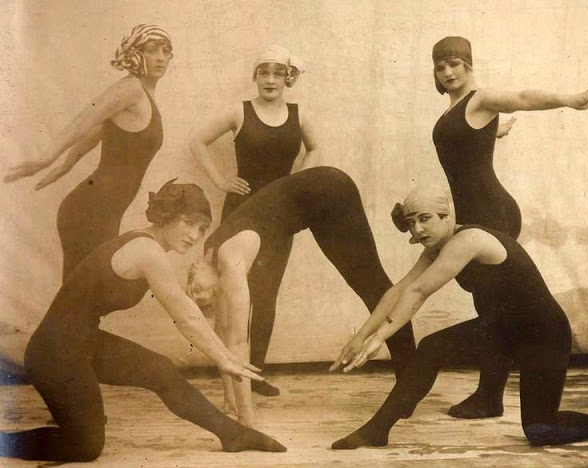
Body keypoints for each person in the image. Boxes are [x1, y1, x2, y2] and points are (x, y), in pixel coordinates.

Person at [0, 180, 287, 462]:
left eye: (202, 228)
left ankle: (233, 434)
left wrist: (224, 354)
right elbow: (186, 315)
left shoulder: (147, 245)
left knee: (160, 371)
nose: (194, 235)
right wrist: (224, 358)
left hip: (79, 341)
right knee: (85, 446)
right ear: (167, 214)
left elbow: (188, 311)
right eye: (189, 222)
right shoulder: (146, 251)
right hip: (53, 353)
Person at [330, 186, 588, 449]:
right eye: (411, 222)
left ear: (447, 216)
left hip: (544, 335)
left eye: (425, 219)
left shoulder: (470, 240)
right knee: (432, 347)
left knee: (541, 431)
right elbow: (398, 291)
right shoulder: (436, 249)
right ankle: (377, 429)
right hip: (503, 331)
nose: (417, 230)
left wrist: (379, 338)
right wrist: (360, 337)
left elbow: (419, 292)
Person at [430, 35, 588, 418]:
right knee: (487, 303)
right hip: (475, 213)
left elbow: (524, 97)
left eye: (454, 63)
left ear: (468, 64)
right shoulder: (458, 110)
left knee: (493, 304)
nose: (447, 72)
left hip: (492, 212)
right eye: (440, 66)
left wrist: (570, 99)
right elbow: (467, 143)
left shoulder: (480, 99)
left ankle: (489, 396)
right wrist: (495, 132)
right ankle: (489, 395)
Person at [186, 167, 416, 428]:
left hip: (330, 191)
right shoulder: (216, 258)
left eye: (193, 289)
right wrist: (229, 399)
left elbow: (237, 340)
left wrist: (245, 420)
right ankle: (409, 384)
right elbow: (224, 333)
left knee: (374, 286)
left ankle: (408, 386)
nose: (198, 291)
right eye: (206, 297)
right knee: (373, 287)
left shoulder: (227, 258)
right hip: (321, 194)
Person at [190, 44, 320, 397]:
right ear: (255, 76)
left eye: (278, 73)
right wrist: (221, 180)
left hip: (279, 214)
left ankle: (255, 373)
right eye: (264, 72)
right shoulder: (240, 112)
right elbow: (197, 141)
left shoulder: (299, 115)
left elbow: (316, 147)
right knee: (233, 291)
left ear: (288, 78)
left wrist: (297, 182)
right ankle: (231, 370)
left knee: (266, 292)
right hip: (242, 209)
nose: (270, 80)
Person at [4, 24, 172, 279]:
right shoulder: (130, 88)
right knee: (83, 292)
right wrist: (47, 157)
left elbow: (101, 131)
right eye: (152, 50)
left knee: (83, 293)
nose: (161, 57)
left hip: (103, 212)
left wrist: (67, 165)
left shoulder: (143, 96)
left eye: (166, 50)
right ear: (136, 54)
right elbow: (85, 119)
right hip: (90, 211)